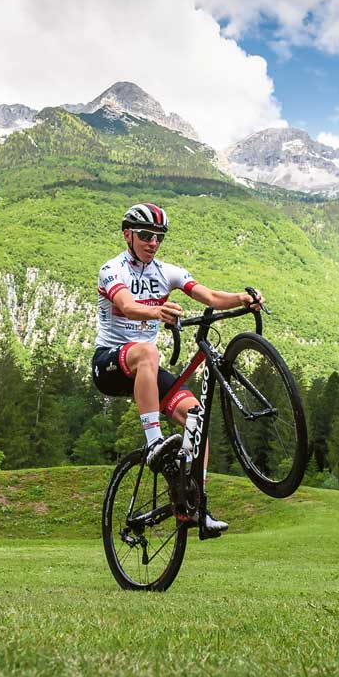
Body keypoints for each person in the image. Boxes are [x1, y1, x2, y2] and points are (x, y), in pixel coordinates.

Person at [90, 202, 263, 538]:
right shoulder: (112, 269)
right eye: (144, 235)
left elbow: (211, 296)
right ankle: (154, 441)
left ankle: (193, 502)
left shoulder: (167, 271)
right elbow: (125, 305)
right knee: (148, 351)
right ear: (128, 235)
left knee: (196, 417)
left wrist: (243, 298)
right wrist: (157, 313)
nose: (152, 242)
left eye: (159, 236)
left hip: (147, 369)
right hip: (111, 363)